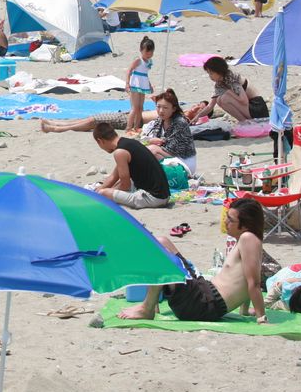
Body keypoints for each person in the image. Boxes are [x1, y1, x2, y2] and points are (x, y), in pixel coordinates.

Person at [117, 197, 266, 323]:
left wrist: (261, 318)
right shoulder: (246, 239)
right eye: (227, 216)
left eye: (231, 219)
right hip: (203, 292)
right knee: (161, 241)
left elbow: (254, 282)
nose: (225, 221)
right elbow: (246, 278)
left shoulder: (248, 238)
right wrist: (244, 311)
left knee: (160, 253)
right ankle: (152, 301)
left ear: (245, 225)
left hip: (203, 305)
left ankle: (147, 308)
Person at [92, 122, 171, 209]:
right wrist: (99, 189)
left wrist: (104, 191)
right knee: (104, 190)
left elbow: (125, 185)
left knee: (103, 194)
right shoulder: (129, 143)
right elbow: (114, 176)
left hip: (154, 198)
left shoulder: (120, 152)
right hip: (164, 195)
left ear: (100, 141)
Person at [188, 56, 268, 123]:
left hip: (257, 107)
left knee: (224, 97)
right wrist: (198, 116)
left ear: (219, 71)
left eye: (211, 73)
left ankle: (244, 122)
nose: (210, 76)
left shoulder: (231, 78)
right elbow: (210, 106)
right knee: (219, 100)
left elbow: (244, 100)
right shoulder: (219, 83)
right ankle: (243, 121)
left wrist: (229, 92)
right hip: (249, 108)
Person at [141, 89, 197, 174]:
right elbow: (146, 139)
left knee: (151, 150)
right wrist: (149, 141)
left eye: (165, 108)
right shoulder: (159, 121)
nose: (161, 111)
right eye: (158, 106)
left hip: (184, 160)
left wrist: (151, 143)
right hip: (168, 156)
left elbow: (172, 150)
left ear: (174, 109)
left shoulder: (179, 123)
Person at [125, 37, 155, 132]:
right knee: (135, 107)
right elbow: (129, 70)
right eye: (147, 53)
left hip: (143, 84)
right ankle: (129, 127)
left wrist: (149, 85)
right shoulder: (138, 60)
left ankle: (136, 127)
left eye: (151, 53)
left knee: (141, 107)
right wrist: (127, 83)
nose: (149, 55)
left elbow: (145, 74)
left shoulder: (148, 62)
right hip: (135, 84)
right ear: (141, 50)